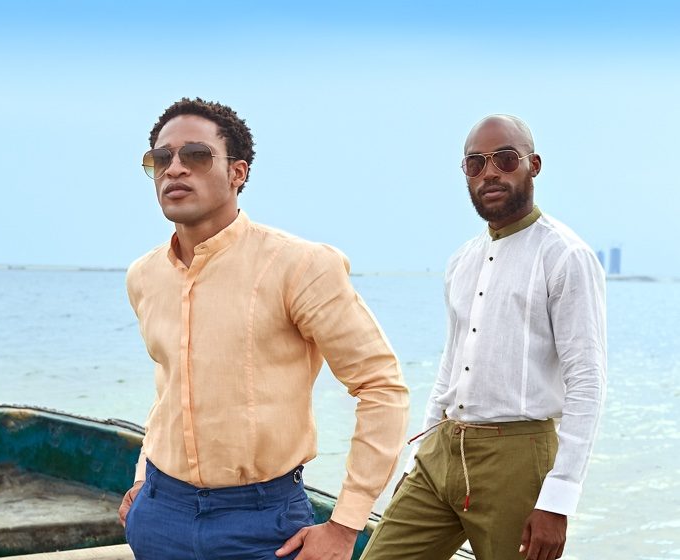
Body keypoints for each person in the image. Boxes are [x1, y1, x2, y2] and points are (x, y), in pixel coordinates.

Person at [117, 97, 409, 560]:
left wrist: (344, 525)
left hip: (263, 523)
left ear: (238, 172)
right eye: (161, 158)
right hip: (160, 515)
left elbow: (381, 387)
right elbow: (168, 387)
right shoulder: (144, 276)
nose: (174, 169)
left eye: (196, 155)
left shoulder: (299, 266)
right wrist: (141, 477)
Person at [360, 115, 606, 560]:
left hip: (517, 457)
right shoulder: (461, 260)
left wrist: (558, 499)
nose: (489, 172)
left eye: (504, 159)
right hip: (442, 451)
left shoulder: (565, 256)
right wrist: (420, 456)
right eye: (475, 164)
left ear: (533, 165)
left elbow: (587, 381)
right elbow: (450, 365)